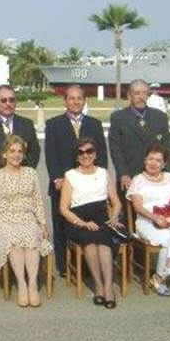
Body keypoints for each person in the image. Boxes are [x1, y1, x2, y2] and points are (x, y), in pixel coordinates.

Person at [0, 84, 39, 279]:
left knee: (22, 230)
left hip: (22, 187)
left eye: (11, 100)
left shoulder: (26, 124)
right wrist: (2, 178)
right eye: (3, 100)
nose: (8, 104)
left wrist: (20, 174)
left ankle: (22, 269)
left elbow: (34, 153)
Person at [45, 85, 108, 276]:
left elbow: (102, 156)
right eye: (71, 98)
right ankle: (64, 266)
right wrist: (57, 177)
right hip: (63, 184)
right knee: (61, 225)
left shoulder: (94, 124)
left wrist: (100, 179)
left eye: (79, 98)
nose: (75, 102)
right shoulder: (54, 124)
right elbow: (51, 154)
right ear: (65, 101)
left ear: (84, 100)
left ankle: (87, 266)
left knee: (89, 225)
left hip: (88, 185)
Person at [0, 135, 52, 307]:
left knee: (31, 240)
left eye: (20, 151)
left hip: (27, 218)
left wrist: (43, 224)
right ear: (4, 154)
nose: (16, 155)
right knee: (14, 241)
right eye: (12, 151)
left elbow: (37, 201)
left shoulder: (31, 173)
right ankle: (21, 284)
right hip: (5, 220)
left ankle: (32, 285)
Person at [59, 137, 123, 309]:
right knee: (89, 240)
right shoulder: (70, 175)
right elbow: (64, 208)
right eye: (81, 152)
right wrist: (82, 222)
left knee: (103, 242)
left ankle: (108, 288)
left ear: (95, 154)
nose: (85, 155)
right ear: (77, 156)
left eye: (89, 151)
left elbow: (116, 202)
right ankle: (98, 285)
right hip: (78, 220)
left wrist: (114, 217)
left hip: (101, 217)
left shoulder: (103, 173)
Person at [126, 144, 170, 296]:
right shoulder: (138, 180)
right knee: (168, 238)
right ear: (145, 160)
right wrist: (155, 217)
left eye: (158, 160)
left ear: (164, 164)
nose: (153, 163)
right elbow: (137, 207)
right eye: (151, 159)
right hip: (148, 220)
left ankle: (166, 270)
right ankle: (162, 277)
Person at [108, 79, 170, 198]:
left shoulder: (160, 117)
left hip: (156, 176)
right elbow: (115, 149)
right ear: (129, 95)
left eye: (144, 93)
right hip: (129, 177)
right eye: (137, 93)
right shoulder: (118, 118)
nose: (141, 97)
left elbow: (167, 147)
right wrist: (123, 173)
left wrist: (166, 172)